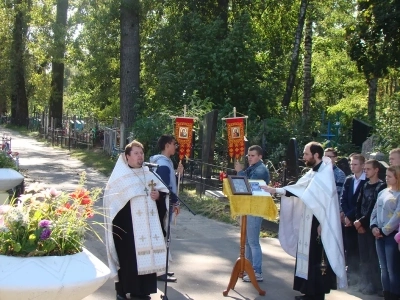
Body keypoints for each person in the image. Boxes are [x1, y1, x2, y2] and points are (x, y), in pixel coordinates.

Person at [263, 142, 347, 300]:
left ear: (316, 155)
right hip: (310, 220)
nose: (304, 157)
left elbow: (326, 203)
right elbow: (299, 188)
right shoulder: (314, 172)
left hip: (319, 223)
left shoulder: (324, 174)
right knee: (308, 256)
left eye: (306, 154)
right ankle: (308, 291)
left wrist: (323, 223)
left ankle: (316, 294)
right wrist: (276, 190)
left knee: (316, 257)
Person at [104, 140, 170, 300]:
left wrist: (159, 196)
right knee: (128, 259)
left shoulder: (149, 174)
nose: (140, 156)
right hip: (127, 229)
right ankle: (122, 291)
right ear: (127, 157)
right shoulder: (119, 178)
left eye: (141, 153)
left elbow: (163, 195)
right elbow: (111, 204)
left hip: (148, 229)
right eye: (136, 153)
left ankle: (142, 291)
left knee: (146, 258)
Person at [149, 134, 183, 282]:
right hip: (162, 204)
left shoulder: (164, 162)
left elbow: (168, 180)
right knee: (161, 236)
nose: (176, 147)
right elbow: (163, 186)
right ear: (167, 145)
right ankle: (159, 271)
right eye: (174, 144)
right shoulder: (162, 163)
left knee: (163, 235)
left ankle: (162, 268)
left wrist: (177, 174)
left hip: (163, 203)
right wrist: (175, 201)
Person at [234, 145, 270, 282]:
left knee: (253, 242)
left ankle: (257, 271)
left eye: (253, 155)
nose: (250, 158)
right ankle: (246, 267)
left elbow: (248, 186)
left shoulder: (260, 170)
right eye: (248, 155)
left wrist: (240, 172)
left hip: (255, 208)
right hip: (249, 207)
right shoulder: (253, 168)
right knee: (248, 242)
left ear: (260, 156)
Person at [354, 159, 386, 296]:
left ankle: (377, 286)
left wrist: (362, 222)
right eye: (365, 169)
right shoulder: (365, 185)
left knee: (373, 258)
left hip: (371, 226)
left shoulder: (381, 187)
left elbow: (374, 207)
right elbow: (359, 204)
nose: (365, 171)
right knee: (364, 258)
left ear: (376, 170)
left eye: (368, 169)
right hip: (360, 226)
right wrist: (357, 221)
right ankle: (365, 283)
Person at [370, 165, 400, 300]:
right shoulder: (383, 192)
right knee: (383, 268)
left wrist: (385, 230)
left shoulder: (399, 195)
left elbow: (397, 216)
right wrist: (374, 226)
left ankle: (394, 294)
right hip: (379, 234)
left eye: (389, 176)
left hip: (391, 236)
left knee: (392, 269)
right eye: (386, 175)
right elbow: (375, 210)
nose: (386, 178)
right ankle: (386, 293)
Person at [340, 154, 366, 286]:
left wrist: (350, 216)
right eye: (351, 164)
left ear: (362, 165)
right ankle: (350, 275)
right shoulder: (349, 179)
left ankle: (360, 277)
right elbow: (343, 198)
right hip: (348, 220)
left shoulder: (366, 181)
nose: (352, 166)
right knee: (349, 247)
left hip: (359, 219)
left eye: (355, 164)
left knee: (359, 249)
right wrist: (345, 214)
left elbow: (360, 202)